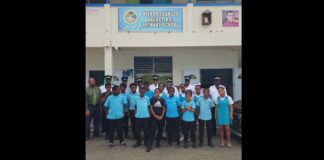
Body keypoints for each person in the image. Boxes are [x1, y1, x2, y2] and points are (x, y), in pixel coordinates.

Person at [132, 87, 151, 152]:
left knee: (146, 131)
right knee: (137, 131)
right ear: (139, 91)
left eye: (143, 91)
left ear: (144, 92)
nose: (142, 92)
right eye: (141, 91)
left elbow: (149, 107)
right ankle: (138, 142)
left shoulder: (147, 98)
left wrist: (149, 114)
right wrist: (135, 114)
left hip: (146, 116)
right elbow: (135, 106)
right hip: (138, 117)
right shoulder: (136, 98)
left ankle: (146, 142)